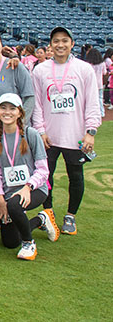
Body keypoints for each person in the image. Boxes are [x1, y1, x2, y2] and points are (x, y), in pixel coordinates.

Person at [32, 27, 101, 235]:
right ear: (50, 45)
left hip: (76, 135)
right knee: (46, 177)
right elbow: (37, 104)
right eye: (55, 41)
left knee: (76, 176)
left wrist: (91, 131)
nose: (60, 44)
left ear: (72, 44)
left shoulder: (84, 68)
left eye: (64, 40)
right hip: (49, 136)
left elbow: (92, 102)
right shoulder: (40, 70)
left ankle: (70, 216)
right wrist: (40, 131)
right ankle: (48, 213)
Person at [0, 93, 58, 260]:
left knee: (15, 205)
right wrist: (0, 199)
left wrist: (28, 187)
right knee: (10, 242)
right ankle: (41, 219)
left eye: (12, 108)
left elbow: (43, 170)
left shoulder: (31, 134)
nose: (7, 112)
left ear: (19, 112)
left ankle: (29, 243)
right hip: (9, 193)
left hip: (35, 189)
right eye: (3, 108)